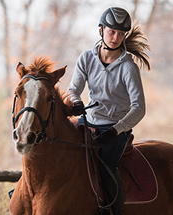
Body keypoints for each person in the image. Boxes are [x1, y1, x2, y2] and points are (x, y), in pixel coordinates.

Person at [67, 7, 150, 215]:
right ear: (101, 30)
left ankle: (111, 210)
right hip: (88, 121)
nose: (115, 38)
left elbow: (139, 108)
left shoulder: (128, 67)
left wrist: (116, 130)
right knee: (63, 155)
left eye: (121, 34)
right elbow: (72, 91)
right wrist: (76, 102)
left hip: (115, 129)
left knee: (105, 169)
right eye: (112, 32)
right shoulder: (86, 58)